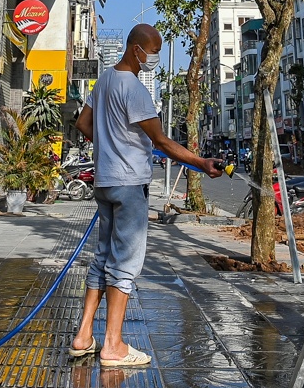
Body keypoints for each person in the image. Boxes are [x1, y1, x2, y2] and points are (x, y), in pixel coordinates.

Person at [69, 24, 222, 367]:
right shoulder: (135, 90)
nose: (153, 58)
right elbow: (162, 142)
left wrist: (108, 148)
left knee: (102, 258)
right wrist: (201, 162)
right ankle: (112, 345)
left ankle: (83, 337)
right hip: (129, 185)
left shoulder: (105, 79)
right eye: (153, 51)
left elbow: (82, 124)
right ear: (135, 48)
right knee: (125, 265)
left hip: (105, 183)